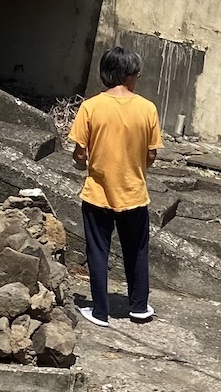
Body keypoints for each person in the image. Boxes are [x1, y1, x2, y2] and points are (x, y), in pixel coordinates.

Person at [69, 46, 162, 327]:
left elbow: (80, 154)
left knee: (98, 250)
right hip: (134, 193)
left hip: (98, 193)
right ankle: (139, 307)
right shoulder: (147, 108)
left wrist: (86, 161)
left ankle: (100, 311)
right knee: (137, 250)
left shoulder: (91, 107)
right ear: (129, 75)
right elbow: (152, 154)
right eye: (137, 74)